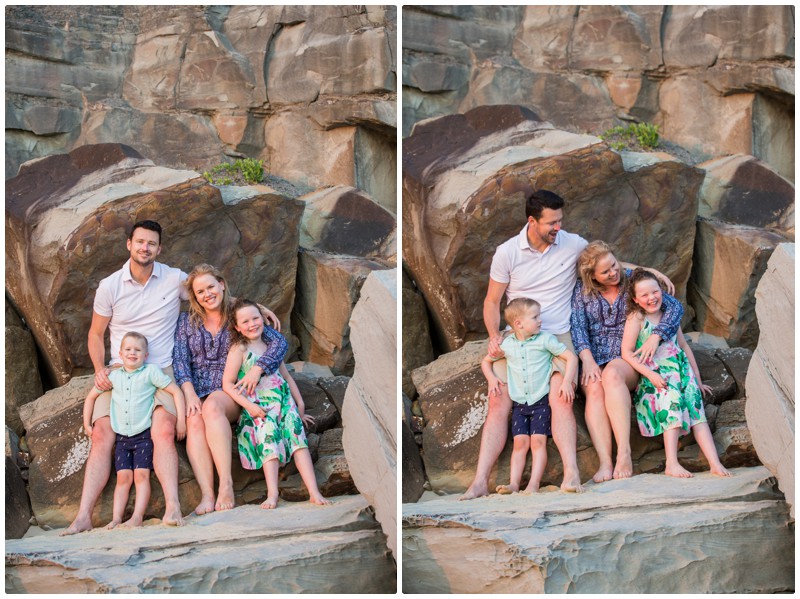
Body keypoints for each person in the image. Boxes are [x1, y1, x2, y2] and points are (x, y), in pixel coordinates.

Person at [461, 189, 674, 499]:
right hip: (518, 335)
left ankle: (572, 473)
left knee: (561, 397)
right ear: (532, 221)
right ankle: (480, 480)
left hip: (560, 335)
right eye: (552, 223)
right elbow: (492, 301)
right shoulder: (507, 253)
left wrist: (647, 272)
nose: (558, 227)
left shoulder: (571, 243)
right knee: (498, 399)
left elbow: (604, 264)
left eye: (560, 220)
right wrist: (495, 336)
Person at [62, 220, 189, 534]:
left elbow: (210, 292)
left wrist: (255, 309)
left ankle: (173, 505)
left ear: (159, 249)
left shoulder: (174, 278)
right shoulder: (110, 285)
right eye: (140, 242)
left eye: (152, 244)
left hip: (160, 371)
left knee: (162, 430)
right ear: (129, 244)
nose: (145, 248)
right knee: (102, 434)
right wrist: (99, 371)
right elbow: (95, 334)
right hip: (120, 371)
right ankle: (83, 516)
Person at [173, 264, 286, 513]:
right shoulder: (186, 321)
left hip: (230, 391)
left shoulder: (239, 315)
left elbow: (278, 341)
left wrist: (259, 368)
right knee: (193, 419)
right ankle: (207, 494)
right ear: (194, 296)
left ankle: (226, 484)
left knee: (212, 407)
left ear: (222, 284)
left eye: (211, 286)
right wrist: (189, 392)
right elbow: (180, 359)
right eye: (200, 291)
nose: (207, 294)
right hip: (196, 388)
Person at [571, 241, 683, 482]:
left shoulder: (630, 279)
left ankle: (624, 453)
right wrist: (587, 360)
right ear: (592, 276)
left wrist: (656, 335)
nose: (613, 273)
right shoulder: (582, 292)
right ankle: (604, 462)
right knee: (593, 388)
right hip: (594, 356)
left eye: (614, 265)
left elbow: (674, 307)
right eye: (605, 271)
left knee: (611, 374)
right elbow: (578, 328)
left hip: (627, 359)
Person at [621, 269, 731, 478]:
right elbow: (626, 353)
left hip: (681, 372)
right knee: (671, 404)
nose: (651, 298)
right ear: (635, 299)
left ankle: (714, 463)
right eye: (644, 295)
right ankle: (671, 463)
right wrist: (650, 374)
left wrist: (697, 380)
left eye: (655, 292)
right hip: (656, 375)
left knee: (697, 410)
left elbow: (683, 346)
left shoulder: (669, 315)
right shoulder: (636, 317)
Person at [222, 299, 329, 508]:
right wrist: (248, 406)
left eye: (255, 318)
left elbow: (287, 377)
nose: (252, 324)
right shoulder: (239, 349)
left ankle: (314, 492)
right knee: (268, 439)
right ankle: (272, 493)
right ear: (237, 327)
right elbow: (227, 383)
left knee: (298, 440)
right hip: (259, 405)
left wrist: (300, 405)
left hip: (284, 402)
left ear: (263, 319)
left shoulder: (272, 346)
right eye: (245, 321)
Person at [82, 332, 186, 529]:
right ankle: (115, 519)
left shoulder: (151, 372)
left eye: (137, 350)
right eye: (128, 349)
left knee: (141, 476)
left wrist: (181, 421)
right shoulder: (114, 376)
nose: (132, 353)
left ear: (146, 355)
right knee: (123, 477)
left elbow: (175, 391)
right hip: (122, 437)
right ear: (120, 354)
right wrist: (87, 423)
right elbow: (91, 397)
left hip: (143, 435)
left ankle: (137, 517)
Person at [481, 298, 578, 495]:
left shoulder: (545, 339)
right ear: (518, 324)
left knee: (538, 442)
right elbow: (486, 362)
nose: (540, 321)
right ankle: (514, 484)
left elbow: (571, 357)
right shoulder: (508, 345)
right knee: (520, 443)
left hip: (540, 402)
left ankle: (533, 484)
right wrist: (491, 379)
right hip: (519, 404)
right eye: (535, 317)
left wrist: (567, 381)